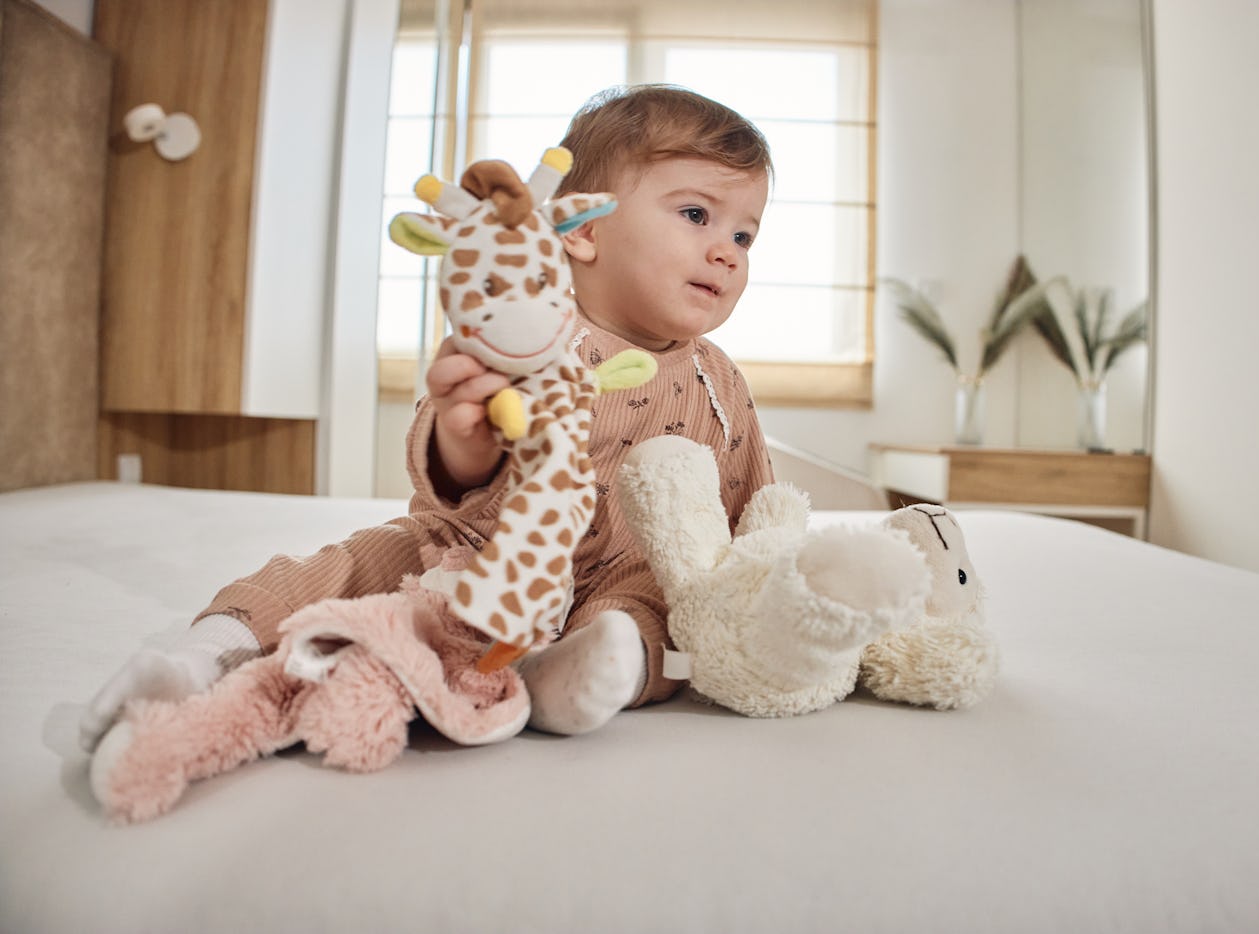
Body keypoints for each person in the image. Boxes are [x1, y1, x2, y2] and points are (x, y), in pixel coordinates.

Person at [80, 84, 775, 751]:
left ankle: (582, 676)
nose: (727, 252)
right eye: (697, 215)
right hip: (474, 546)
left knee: (660, 612)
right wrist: (462, 442)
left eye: (745, 235)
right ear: (584, 229)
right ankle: (202, 657)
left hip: (626, 570)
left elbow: (752, 510)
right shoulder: (521, 334)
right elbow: (449, 470)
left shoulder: (719, 382)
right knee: (348, 564)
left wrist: (763, 584)